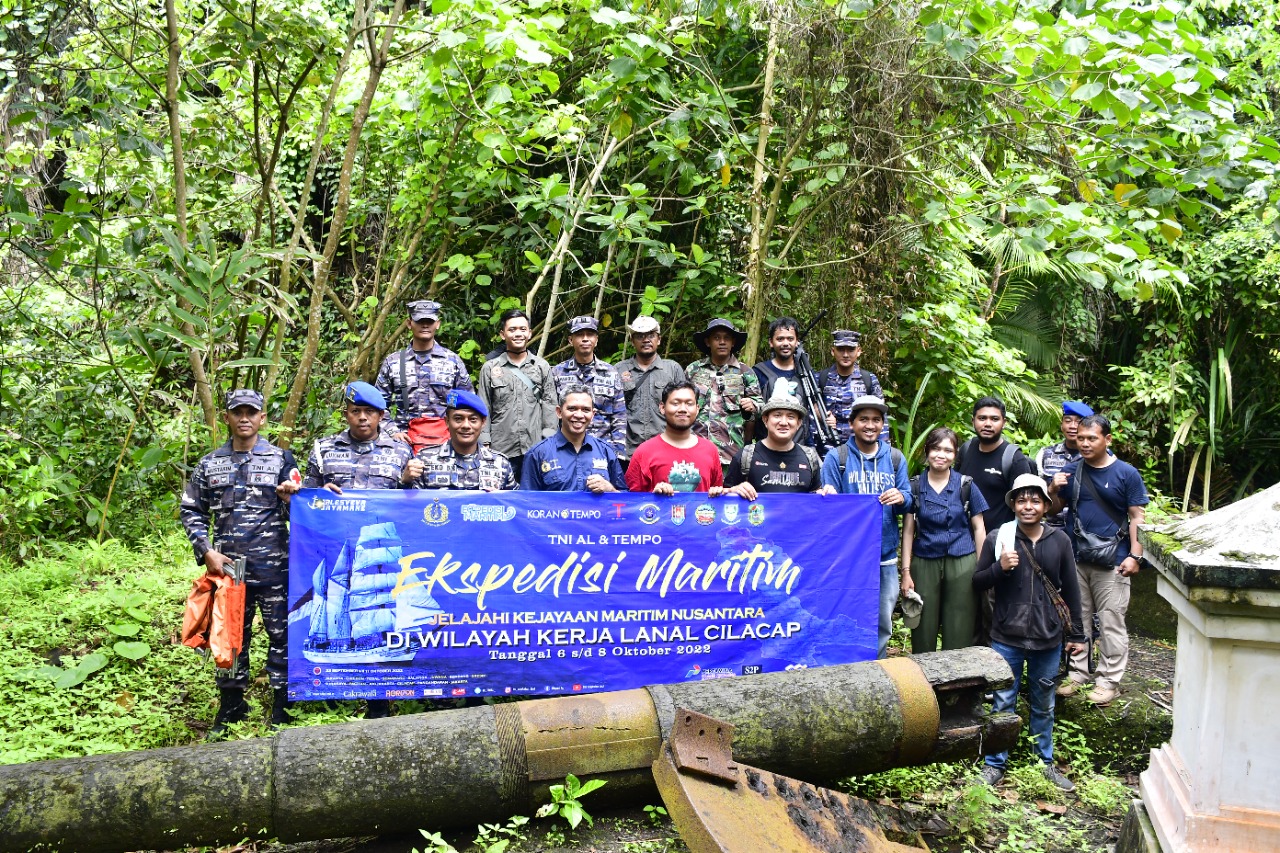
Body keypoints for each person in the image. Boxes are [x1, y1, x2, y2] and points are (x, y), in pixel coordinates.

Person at [180, 390, 301, 735]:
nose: (244, 418)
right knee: (229, 637)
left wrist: (291, 500)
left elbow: (303, 511)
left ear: (262, 418)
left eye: (252, 412)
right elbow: (191, 510)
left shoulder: (282, 460)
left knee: (283, 635)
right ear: (228, 418)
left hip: (276, 567)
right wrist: (206, 551)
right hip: (230, 570)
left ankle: (283, 702)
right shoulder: (209, 464)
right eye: (238, 412)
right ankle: (232, 704)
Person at [302, 381, 416, 719]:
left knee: (378, 612)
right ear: (347, 413)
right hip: (334, 548)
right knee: (339, 611)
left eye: (369, 412)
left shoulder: (401, 452)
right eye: (356, 411)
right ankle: (335, 690)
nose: (362, 418)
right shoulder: (323, 450)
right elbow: (304, 500)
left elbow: (415, 503)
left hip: (376, 549)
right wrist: (318, 492)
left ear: (381, 415)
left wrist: (410, 482)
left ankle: (380, 701)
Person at [972, 473, 1085, 791]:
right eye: (1021, 500)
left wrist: (1076, 635)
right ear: (1013, 504)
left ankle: (1043, 764)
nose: (1028, 506)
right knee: (1003, 701)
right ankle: (995, 763)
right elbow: (978, 581)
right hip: (1007, 635)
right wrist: (999, 567)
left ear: (1046, 505)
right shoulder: (999, 538)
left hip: (1047, 637)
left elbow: (1072, 591)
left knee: (1044, 702)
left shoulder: (1060, 541)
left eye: (1035, 500)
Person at [1048, 414, 1148, 706]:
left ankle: (1108, 680)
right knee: (1077, 620)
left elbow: (1137, 517)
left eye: (1092, 438)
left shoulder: (1126, 473)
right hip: (1076, 558)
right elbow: (1054, 510)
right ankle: (1078, 673)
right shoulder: (1072, 470)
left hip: (1113, 560)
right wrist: (1053, 489)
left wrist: (1135, 556)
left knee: (1111, 620)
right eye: (1080, 438)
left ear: (1108, 439)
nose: (1085, 443)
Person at [818, 395, 912, 659]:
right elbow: (829, 508)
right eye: (863, 419)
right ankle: (844, 671)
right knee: (843, 616)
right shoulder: (837, 458)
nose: (870, 425)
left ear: (882, 425)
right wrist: (828, 495)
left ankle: (877, 670)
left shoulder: (894, 458)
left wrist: (902, 497)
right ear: (851, 423)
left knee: (883, 620)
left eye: (876, 420)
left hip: (884, 557)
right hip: (847, 557)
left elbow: (909, 500)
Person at [900, 427, 989, 653]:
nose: (941, 455)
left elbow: (979, 527)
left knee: (960, 624)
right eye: (936, 448)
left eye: (948, 450)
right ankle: (923, 682)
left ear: (955, 455)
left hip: (962, 560)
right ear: (927, 451)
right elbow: (909, 531)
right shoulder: (915, 486)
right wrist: (906, 572)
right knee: (922, 624)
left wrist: (981, 567)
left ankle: (956, 683)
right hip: (925, 560)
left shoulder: (966, 485)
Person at [375, 300, 474, 451]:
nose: (425, 325)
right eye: (420, 321)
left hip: (445, 444)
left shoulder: (452, 361)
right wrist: (393, 432)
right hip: (404, 444)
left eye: (430, 321)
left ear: (438, 324)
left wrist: (456, 432)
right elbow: (378, 405)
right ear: (409, 323)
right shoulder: (393, 362)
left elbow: (468, 403)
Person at [477, 308, 557, 482]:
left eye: (522, 329)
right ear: (502, 334)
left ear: (529, 333)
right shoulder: (490, 368)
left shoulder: (541, 366)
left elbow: (551, 406)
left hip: (535, 448)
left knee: (533, 498)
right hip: (500, 448)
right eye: (512, 330)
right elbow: (484, 406)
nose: (518, 334)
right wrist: (485, 442)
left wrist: (549, 442)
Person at [685, 318, 764, 466]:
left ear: (733, 342)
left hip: (731, 452)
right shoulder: (693, 370)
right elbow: (680, 404)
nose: (722, 342)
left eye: (726, 338)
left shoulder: (745, 372)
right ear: (708, 342)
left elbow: (761, 407)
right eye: (716, 338)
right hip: (695, 450)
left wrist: (753, 405)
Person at [625, 380, 726, 495]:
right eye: (675, 403)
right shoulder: (645, 452)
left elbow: (718, 499)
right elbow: (631, 502)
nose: (683, 409)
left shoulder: (710, 450)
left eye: (689, 403)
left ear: (697, 409)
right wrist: (654, 496)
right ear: (662, 407)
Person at [521, 385, 626, 493]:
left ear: (593, 414)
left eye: (585, 410)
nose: (579, 415)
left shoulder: (606, 451)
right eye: (572, 408)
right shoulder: (538, 454)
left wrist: (610, 489)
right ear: (559, 412)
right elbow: (526, 502)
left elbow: (626, 501)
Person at [549, 315, 627, 457]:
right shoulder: (557, 373)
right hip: (566, 450)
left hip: (603, 449)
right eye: (579, 335)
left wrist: (618, 453)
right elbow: (552, 415)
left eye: (590, 334)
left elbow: (619, 415)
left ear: (596, 340)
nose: (585, 339)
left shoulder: (610, 372)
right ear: (570, 340)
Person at [409, 389, 516, 491]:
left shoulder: (500, 463)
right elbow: (409, 504)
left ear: (483, 422)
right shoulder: (425, 460)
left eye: (473, 419)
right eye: (458, 419)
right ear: (447, 421)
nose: (466, 425)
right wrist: (405, 481)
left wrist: (500, 498)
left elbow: (517, 503)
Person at [724, 388, 822, 499]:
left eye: (791, 417)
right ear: (765, 420)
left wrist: (827, 494)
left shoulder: (810, 458)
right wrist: (733, 491)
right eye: (777, 415)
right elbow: (725, 500)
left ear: (799, 423)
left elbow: (817, 501)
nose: (784, 422)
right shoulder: (745, 456)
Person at [955, 396, 1034, 532]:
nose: (988, 424)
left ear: (1004, 422)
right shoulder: (966, 450)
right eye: (982, 418)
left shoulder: (1014, 459)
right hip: (963, 540)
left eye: (994, 419)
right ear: (973, 421)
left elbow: (1026, 506)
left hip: (998, 541)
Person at [615, 315, 686, 462]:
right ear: (632, 340)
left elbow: (684, 411)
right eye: (640, 336)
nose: (646, 340)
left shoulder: (672, 369)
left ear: (658, 339)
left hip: (666, 451)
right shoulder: (619, 370)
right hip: (629, 453)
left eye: (651, 335)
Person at [817, 329, 883, 447]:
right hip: (827, 448)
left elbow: (881, 418)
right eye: (841, 349)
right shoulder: (821, 378)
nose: (846, 355)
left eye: (851, 350)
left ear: (858, 351)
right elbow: (811, 415)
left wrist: (883, 450)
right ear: (833, 351)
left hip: (859, 447)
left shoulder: (868, 379)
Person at [1035, 401, 1094, 529]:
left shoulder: (1097, 456)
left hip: (1087, 532)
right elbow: (1036, 493)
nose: (1072, 426)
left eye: (1078, 422)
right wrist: (1052, 488)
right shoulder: (1045, 454)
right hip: (1053, 528)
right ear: (1062, 425)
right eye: (1068, 421)